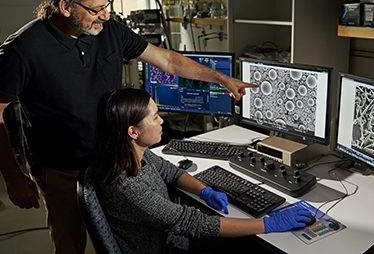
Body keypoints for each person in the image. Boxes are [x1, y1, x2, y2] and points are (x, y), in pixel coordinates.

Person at [0, 0, 258, 254]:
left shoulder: (110, 31)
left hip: (113, 158)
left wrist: (221, 79)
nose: (105, 15)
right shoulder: (23, 50)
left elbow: (169, 61)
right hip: (62, 167)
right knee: (70, 245)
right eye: (96, 10)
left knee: (120, 239)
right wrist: (12, 175)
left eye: (106, 4)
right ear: (65, 7)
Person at [94, 88, 313, 254]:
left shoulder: (134, 153)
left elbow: (171, 172)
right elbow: (191, 223)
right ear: (133, 131)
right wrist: (269, 224)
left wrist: (204, 191)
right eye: (154, 117)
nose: (161, 121)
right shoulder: (126, 185)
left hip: (169, 239)